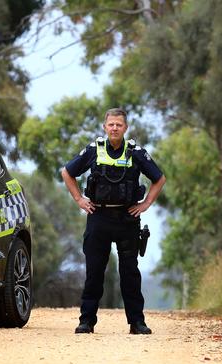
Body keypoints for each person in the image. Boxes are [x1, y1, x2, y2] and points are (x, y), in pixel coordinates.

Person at [61, 108, 166, 335]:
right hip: (98, 218)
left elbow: (159, 178)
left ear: (125, 128)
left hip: (127, 219)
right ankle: (86, 321)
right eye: (111, 125)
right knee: (94, 272)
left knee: (130, 273)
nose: (115, 128)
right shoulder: (93, 150)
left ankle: (137, 323)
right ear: (105, 127)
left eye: (119, 125)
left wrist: (145, 204)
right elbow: (67, 173)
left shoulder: (136, 152)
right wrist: (79, 199)